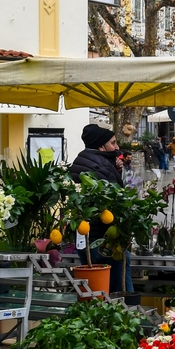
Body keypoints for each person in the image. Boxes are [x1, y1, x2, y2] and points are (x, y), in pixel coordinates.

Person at [69, 125, 132, 293]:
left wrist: (115, 167)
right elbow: (116, 197)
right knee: (118, 290)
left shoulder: (81, 160)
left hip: (85, 235)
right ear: (101, 146)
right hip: (104, 237)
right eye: (113, 143)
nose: (117, 147)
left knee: (93, 289)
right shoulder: (101, 165)